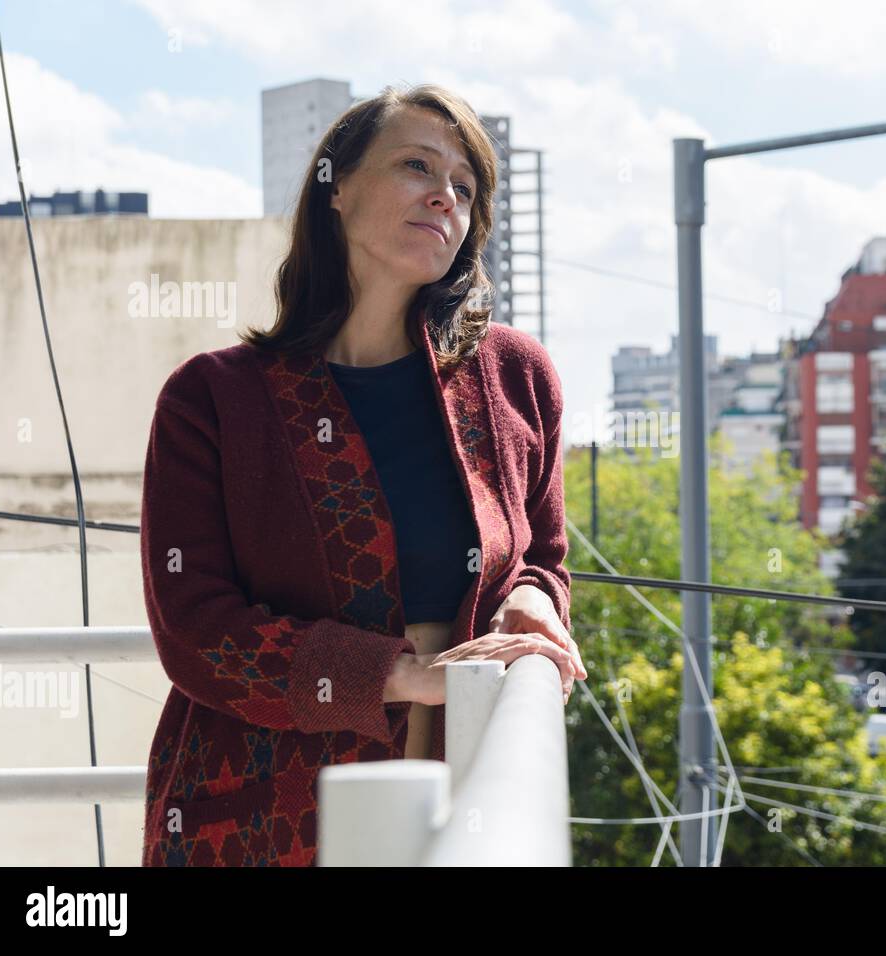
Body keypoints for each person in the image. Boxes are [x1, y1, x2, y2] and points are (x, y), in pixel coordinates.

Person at [140, 83, 585, 866]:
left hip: (462, 784)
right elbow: (195, 629)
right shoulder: (211, 400)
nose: (444, 194)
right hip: (253, 811)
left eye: (465, 185)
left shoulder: (517, 378)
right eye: (417, 164)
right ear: (335, 188)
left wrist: (529, 603)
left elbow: (541, 560)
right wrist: (397, 677)